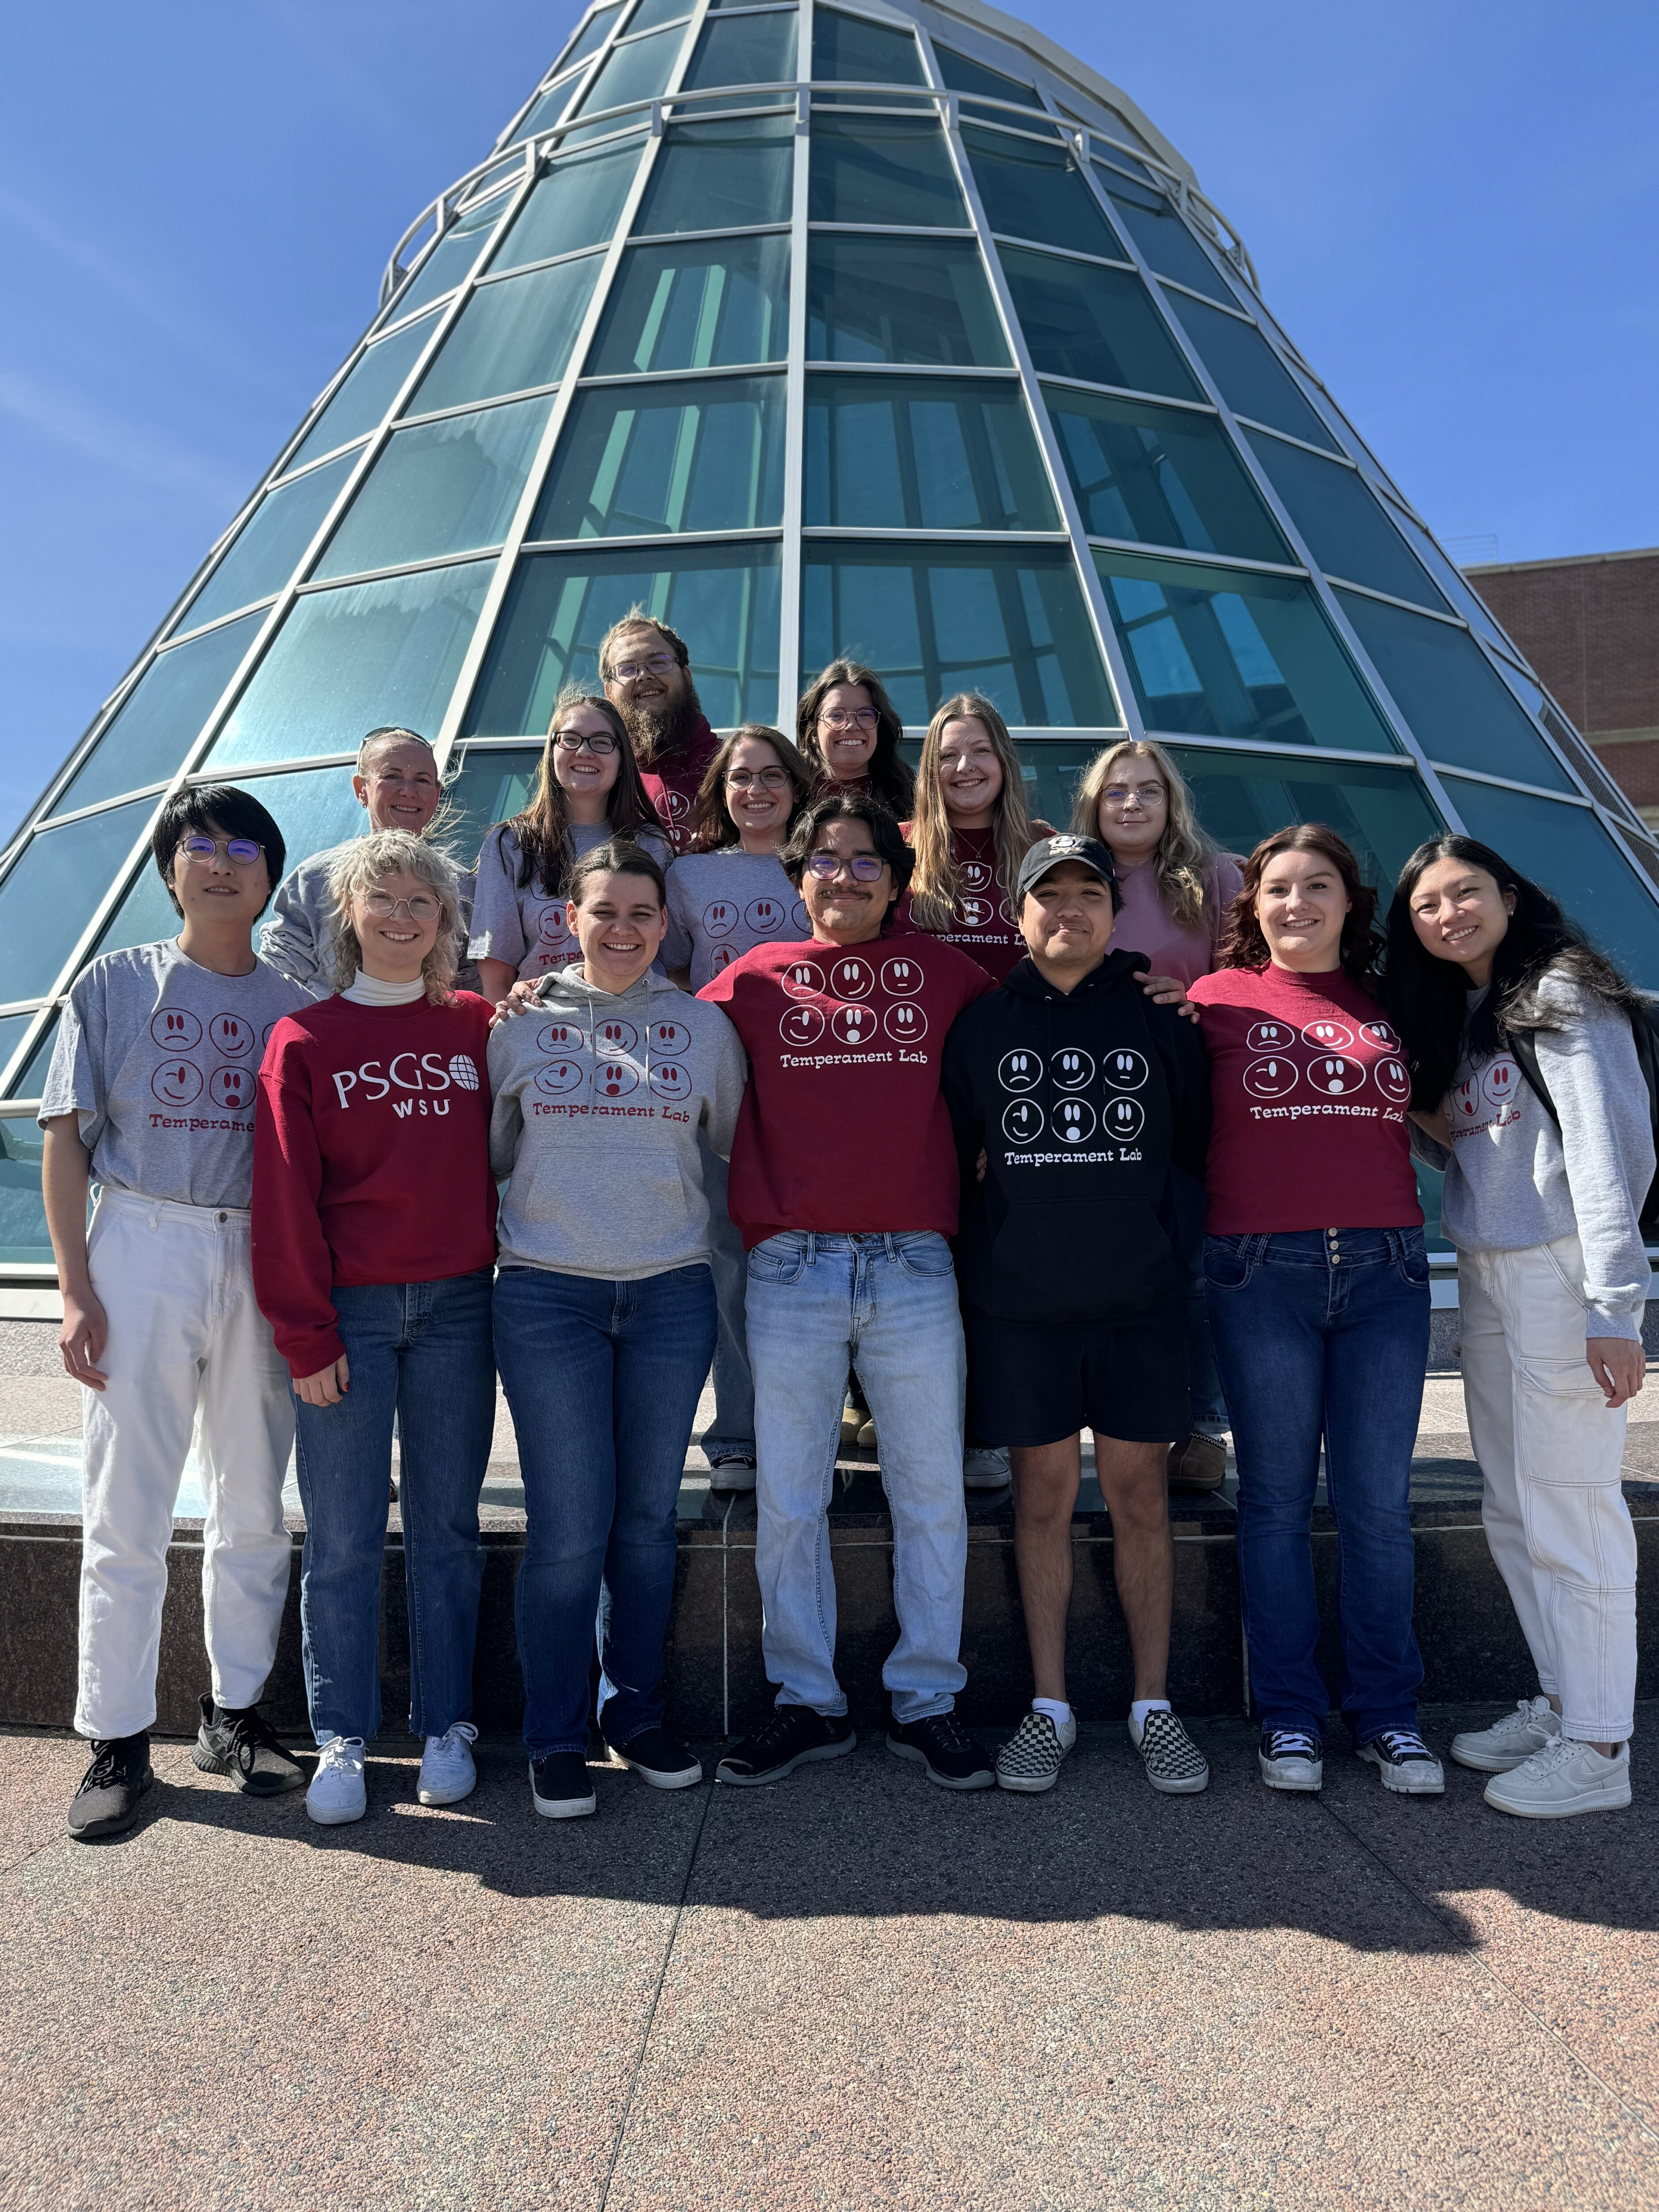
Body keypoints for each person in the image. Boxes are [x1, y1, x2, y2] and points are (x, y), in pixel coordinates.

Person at [699, 790, 998, 1792]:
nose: (844, 873)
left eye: (866, 858)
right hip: (791, 1268)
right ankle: (806, 1701)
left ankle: (927, 1698)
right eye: (823, 859)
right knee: (789, 1498)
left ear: (895, 880)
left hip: (914, 1263)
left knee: (929, 1492)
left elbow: (1034, 1022)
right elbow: (654, 1041)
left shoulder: (945, 975)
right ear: (796, 878)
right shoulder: (749, 981)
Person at [41, 785, 310, 1840]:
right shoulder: (113, 985)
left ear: (269, 874)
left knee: (252, 1496)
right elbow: (66, 1140)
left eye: (246, 847)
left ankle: (233, 1713)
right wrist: (74, 1288)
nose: (223, 863)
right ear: (168, 869)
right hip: (141, 1237)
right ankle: (113, 1736)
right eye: (200, 846)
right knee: (128, 1505)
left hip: (257, 1246)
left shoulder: (296, 1001)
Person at [943, 835, 1214, 1795]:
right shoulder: (982, 1026)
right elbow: (962, 1153)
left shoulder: (1162, 1019)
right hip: (1023, 1311)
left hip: (1141, 1307)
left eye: (1087, 893)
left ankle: (1154, 1705)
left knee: (1143, 1500)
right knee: (1045, 1503)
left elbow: (1199, 1149)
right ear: (1019, 914)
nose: (1068, 910)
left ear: (1112, 910)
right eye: (1047, 895)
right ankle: (1048, 1707)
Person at [1389, 837, 1651, 1819]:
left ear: (1509, 892)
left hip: (1562, 1266)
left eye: (1466, 893)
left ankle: (1599, 1745)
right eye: (1427, 905)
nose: (1449, 913)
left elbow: (1606, 1147)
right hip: (1493, 1270)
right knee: (1512, 1505)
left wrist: (1616, 1308)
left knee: (1573, 1507)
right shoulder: (1468, 1009)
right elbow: (1478, 1137)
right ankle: (1559, 1700)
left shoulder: (1564, 992)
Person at [489, 840, 746, 1820]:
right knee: (567, 1529)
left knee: (645, 1522)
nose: (626, 930)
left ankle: (632, 1710)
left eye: (644, 913)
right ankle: (555, 1730)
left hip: (671, 1294)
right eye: (606, 912)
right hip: (549, 1295)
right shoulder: (515, 1027)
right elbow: (491, 1155)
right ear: (570, 919)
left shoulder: (702, 1030)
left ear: (665, 924)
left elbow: (727, 1149)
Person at [1186, 824, 1442, 1797]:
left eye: (1318, 885)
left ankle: (1389, 1717)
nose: (1298, 903)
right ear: (1250, 902)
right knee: (1276, 1500)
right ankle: (1290, 1715)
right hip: (1260, 1271)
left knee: (1377, 1506)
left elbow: (1453, 1118)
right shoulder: (1212, 1001)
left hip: (1387, 1271)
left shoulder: (1393, 1004)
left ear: (1350, 899)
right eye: (1278, 888)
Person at [252, 830, 498, 1826]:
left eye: (421, 904)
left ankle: (447, 1723)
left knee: (446, 1527)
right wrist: (306, 1336)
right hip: (348, 1314)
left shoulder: (479, 1025)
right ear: (347, 914)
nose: (402, 918)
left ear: (446, 921)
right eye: (382, 900)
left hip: (458, 1306)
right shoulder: (303, 1039)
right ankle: (343, 1733)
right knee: (346, 1534)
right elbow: (284, 1198)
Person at [1073, 739, 1244, 1494]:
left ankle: (1203, 1425)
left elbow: (1255, 975)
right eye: (1117, 792)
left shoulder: (1214, 876)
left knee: (1195, 1268)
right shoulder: (1074, 876)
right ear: (1094, 804)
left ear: (1171, 802)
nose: (1133, 804)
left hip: (1185, 1098)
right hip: (1093, 1105)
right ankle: (1121, 1416)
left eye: (1148, 790)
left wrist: (1199, 1000)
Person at [896, 692, 1049, 1488]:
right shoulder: (902, 853)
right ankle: (926, 1423)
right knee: (935, 1258)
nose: (964, 768)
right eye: (948, 754)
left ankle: (995, 1426)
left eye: (979, 751)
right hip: (925, 1090)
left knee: (1004, 1265)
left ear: (1004, 762)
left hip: (1021, 1086)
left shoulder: (1044, 848)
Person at [663, 725, 813, 1490]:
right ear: (721, 790)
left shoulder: (823, 868)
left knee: (815, 1261)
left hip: (815, 1089)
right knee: (729, 1263)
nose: (756, 790)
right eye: (741, 777)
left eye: (773, 775)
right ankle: (739, 1436)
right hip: (719, 1088)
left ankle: (814, 1426)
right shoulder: (687, 875)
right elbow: (664, 975)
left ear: (798, 785)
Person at [469, 692, 670, 1004]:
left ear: (622, 763)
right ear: (552, 753)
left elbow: (672, 957)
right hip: (542, 1025)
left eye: (602, 742)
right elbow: (497, 974)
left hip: (639, 1020)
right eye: (571, 740)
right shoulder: (511, 844)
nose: (585, 752)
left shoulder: (651, 844)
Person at [261, 726, 477, 995]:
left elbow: (477, 984)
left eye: (422, 780)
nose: (409, 791)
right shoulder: (315, 878)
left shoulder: (465, 887)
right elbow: (279, 979)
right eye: (392, 776)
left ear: (436, 795)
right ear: (361, 789)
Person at [600, 611, 722, 855]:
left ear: (686, 677)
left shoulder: (736, 766)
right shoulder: (601, 783)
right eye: (627, 669)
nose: (644, 675)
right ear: (609, 693)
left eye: (658, 662)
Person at [795, 659, 916, 817]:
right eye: (836, 715)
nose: (852, 726)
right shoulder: (788, 794)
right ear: (813, 733)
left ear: (880, 728)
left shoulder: (913, 796)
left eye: (865, 714)